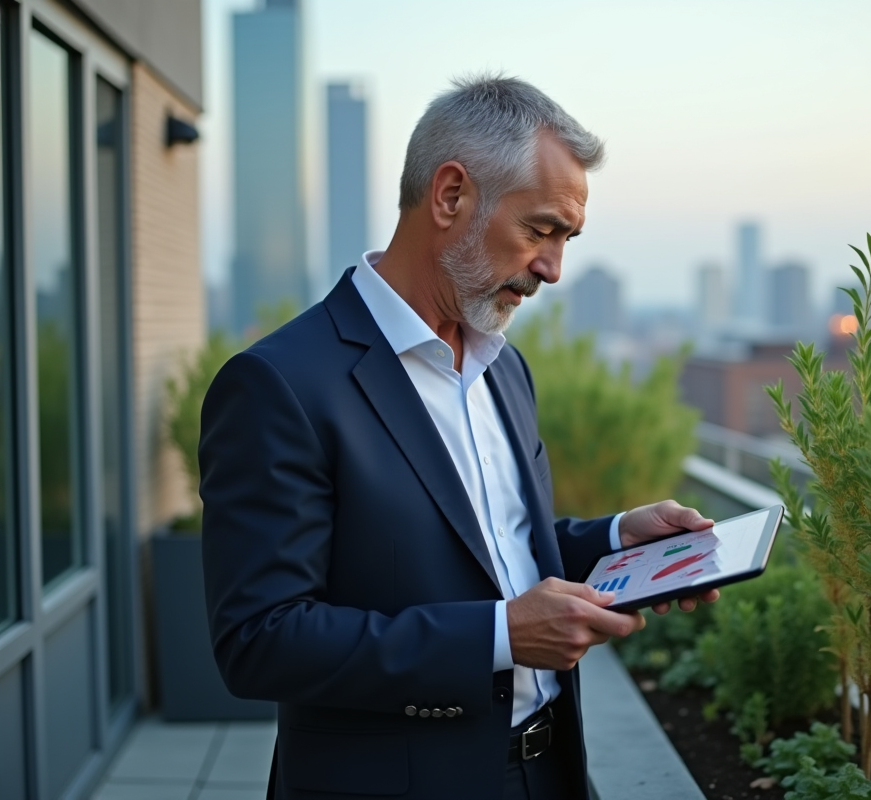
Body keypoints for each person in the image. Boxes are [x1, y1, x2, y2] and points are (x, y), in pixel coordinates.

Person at [199, 75, 718, 800]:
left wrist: (614, 541)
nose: (553, 269)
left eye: (566, 239)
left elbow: (493, 554)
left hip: (552, 774)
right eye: (539, 230)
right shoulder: (279, 385)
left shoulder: (507, 370)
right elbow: (260, 641)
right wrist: (499, 637)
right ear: (450, 195)